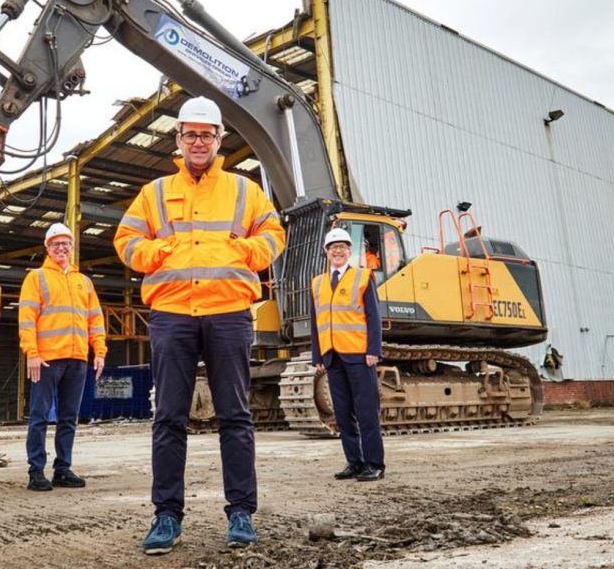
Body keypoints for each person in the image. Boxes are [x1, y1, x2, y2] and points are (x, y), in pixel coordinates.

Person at [113, 96, 285, 555]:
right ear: (179, 139)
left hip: (228, 312)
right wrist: (158, 254)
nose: (198, 142)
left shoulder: (244, 190)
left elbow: (274, 235)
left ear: (218, 140)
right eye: (190, 134)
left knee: (235, 416)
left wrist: (243, 252)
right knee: (168, 417)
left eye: (206, 135)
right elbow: (126, 241)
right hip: (172, 314)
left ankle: (241, 513)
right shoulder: (154, 192)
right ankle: (166, 517)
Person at [19, 223, 107, 491]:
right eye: (56, 243)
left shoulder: (84, 282)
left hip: (77, 358)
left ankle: (62, 469)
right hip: (46, 360)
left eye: (65, 243)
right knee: (40, 416)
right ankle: (36, 471)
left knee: (69, 417)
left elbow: (95, 319)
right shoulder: (36, 277)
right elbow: (26, 319)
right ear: (47, 247)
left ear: (72, 247)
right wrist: (31, 353)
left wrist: (99, 351)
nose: (61, 248)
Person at [309, 227, 385, 482]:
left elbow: (373, 317)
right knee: (342, 414)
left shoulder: (363, 277)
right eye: (333, 248)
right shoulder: (317, 283)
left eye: (342, 247)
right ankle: (355, 462)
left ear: (349, 250)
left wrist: (373, 350)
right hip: (332, 357)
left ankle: (374, 463)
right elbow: (315, 321)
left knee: (366, 412)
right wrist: (317, 355)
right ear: (326, 253)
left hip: (358, 354)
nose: (337, 251)